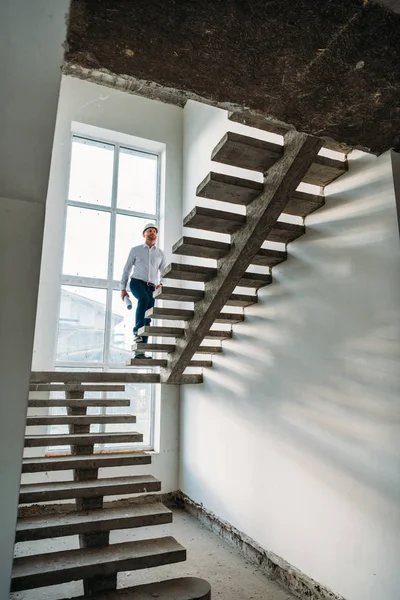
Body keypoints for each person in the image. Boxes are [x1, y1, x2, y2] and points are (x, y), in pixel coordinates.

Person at [120, 223, 167, 359]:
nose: (152, 233)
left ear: (156, 235)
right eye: (149, 231)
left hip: (152, 286)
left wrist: (161, 284)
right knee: (144, 299)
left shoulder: (160, 254)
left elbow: (164, 271)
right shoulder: (135, 250)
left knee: (148, 316)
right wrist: (123, 288)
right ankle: (137, 332)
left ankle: (140, 351)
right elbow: (127, 269)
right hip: (136, 282)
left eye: (154, 231)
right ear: (144, 234)